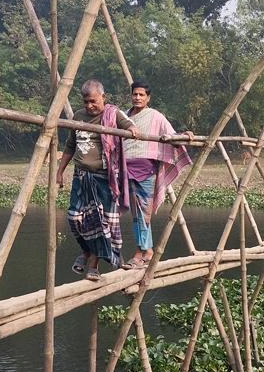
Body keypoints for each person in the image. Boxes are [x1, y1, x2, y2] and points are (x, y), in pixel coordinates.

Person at [56, 80, 139, 281]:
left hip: (104, 178)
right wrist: (59, 172)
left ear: (103, 97)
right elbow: (69, 146)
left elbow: (130, 126)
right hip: (81, 177)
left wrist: (132, 130)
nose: (89, 106)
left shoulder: (112, 114)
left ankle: (93, 266)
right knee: (75, 219)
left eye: (93, 101)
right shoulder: (78, 116)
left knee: (101, 224)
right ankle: (85, 253)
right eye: (86, 102)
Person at [120, 81, 193, 269]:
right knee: (136, 213)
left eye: (141, 95)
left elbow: (171, 135)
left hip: (145, 170)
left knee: (143, 212)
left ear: (148, 98)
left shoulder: (155, 116)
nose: (137, 98)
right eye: (135, 94)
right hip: (126, 169)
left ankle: (140, 251)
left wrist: (183, 135)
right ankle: (148, 251)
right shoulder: (124, 117)